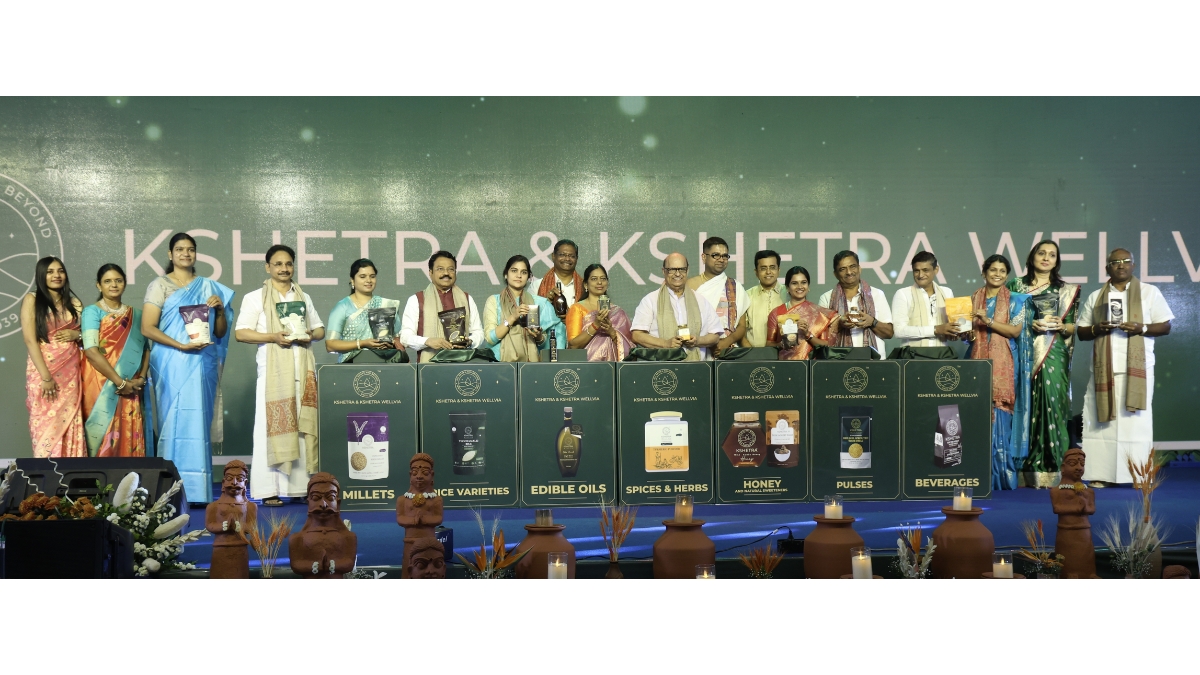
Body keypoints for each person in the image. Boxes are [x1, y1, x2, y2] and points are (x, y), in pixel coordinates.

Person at [141, 232, 235, 504]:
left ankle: (197, 491)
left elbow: (219, 333)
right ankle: (168, 491)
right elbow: (147, 328)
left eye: (190, 249)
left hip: (201, 363)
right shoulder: (159, 285)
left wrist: (219, 310)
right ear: (170, 254)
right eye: (180, 249)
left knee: (197, 423)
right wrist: (180, 346)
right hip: (171, 362)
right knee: (173, 422)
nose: (185, 253)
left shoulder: (209, 287)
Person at [235, 245, 325, 506]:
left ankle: (300, 488)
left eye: (288, 264)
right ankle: (269, 490)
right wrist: (272, 337)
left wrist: (309, 334)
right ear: (268, 267)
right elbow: (241, 333)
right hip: (273, 376)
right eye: (278, 264)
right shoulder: (255, 298)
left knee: (302, 428)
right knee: (271, 429)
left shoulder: (303, 297)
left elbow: (320, 330)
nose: (284, 269)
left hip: (302, 371)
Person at [1077, 248, 1173, 487]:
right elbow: (1082, 332)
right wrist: (1098, 329)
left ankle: (1138, 476)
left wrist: (1142, 328)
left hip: (1138, 372)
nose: (1121, 265)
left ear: (1133, 265)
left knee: (1136, 425)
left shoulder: (1150, 292)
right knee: (1102, 426)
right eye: (1115, 262)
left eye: (1125, 261)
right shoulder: (1097, 296)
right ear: (1107, 268)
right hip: (1103, 371)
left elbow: (1165, 326)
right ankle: (1101, 475)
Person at [1006, 240, 1080, 488]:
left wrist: (1062, 325)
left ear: (1057, 261)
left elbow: (1072, 326)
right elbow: (1005, 318)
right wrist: (1028, 324)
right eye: (1041, 253)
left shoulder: (1065, 290)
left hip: (1053, 352)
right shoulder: (1015, 285)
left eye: (1052, 255)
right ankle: (1021, 470)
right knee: (1023, 404)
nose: (1046, 258)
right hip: (1022, 352)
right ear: (1032, 256)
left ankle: (1052, 467)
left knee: (1051, 403)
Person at [963, 254, 1031, 490]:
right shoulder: (973, 299)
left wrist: (988, 320)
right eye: (993, 270)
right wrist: (966, 333)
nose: (998, 274)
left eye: (1002, 271)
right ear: (984, 273)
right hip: (977, 363)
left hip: (1004, 366)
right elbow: (970, 334)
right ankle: (979, 477)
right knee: (977, 417)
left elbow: (1015, 331)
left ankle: (1002, 478)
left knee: (1000, 419)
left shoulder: (1016, 300)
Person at [81, 263, 150, 457]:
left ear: (125, 283)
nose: (113, 285)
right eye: (107, 281)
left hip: (132, 385)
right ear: (98, 285)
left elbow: (146, 350)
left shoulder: (137, 315)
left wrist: (141, 378)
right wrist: (120, 382)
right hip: (101, 383)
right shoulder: (91, 312)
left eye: (118, 280)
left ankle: (131, 475)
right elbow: (91, 351)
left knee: (129, 433)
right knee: (102, 436)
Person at [21, 256, 85, 458]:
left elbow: (89, 337)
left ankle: (73, 472)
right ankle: (47, 472)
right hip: (44, 371)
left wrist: (77, 335)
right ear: (41, 275)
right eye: (50, 272)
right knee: (45, 422)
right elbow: (30, 340)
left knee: (71, 420)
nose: (56, 275)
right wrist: (46, 377)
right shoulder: (32, 300)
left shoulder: (74, 303)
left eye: (60, 271)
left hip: (71, 372)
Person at [631, 252, 723, 360]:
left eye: (682, 269)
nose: (678, 274)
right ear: (664, 271)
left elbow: (715, 336)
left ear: (687, 270)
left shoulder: (700, 300)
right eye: (672, 270)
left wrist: (697, 341)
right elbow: (637, 335)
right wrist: (665, 344)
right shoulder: (650, 300)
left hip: (696, 367)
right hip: (661, 368)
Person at [399, 250, 484, 362]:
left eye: (451, 269)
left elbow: (478, 332)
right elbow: (405, 337)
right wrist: (427, 341)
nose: (446, 273)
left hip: (461, 365)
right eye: (440, 269)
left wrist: (470, 341)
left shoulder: (467, 299)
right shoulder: (416, 300)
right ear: (430, 273)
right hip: (428, 366)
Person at [483, 255, 564, 362]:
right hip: (499, 365)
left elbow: (552, 342)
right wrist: (512, 317)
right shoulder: (494, 301)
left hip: (531, 366)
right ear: (506, 274)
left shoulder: (541, 303)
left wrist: (539, 337)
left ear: (529, 277)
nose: (519, 275)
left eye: (524, 272)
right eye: (514, 271)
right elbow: (490, 339)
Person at [325, 258, 404, 363]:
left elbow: (398, 339)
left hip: (384, 365)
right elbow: (330, 345)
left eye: (372, 276)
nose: (369, 280)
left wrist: (392, 343)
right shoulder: (343, 306)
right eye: (362, 277)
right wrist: (362, 343)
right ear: (352, 280)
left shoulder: (386, 305)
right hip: (350, 366)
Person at [818, 250, 894, 357]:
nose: (849, 272)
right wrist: (839, 324)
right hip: (839, 361)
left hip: (873, 361)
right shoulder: (826, 298)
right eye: (842, 269)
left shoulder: (877, 294)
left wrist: (872, 322)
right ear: (835, 274)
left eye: (852, 266)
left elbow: (889, 333)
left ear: (859, 268)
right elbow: (821, 337)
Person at [289, 472, 357, 579]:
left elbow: (349, 563)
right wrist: (315, 566)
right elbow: (296, 564)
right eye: (316, 497)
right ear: (308, 502)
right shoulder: (297, 538)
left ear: (338, 503)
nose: (323, 504)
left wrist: (332, 566)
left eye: (330, 497)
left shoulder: (348, 537)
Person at [688, 237, 748, 354]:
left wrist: (726, 342)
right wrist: (705, 341)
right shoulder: (690, 285)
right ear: (704, 257)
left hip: (728, 351)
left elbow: (742, 326)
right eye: (716, 255)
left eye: (725, 256)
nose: (721, 260)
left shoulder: (735, 286)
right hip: (697, 350)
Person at [765, 266, 839, 360]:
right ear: (787, 288)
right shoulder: (777, 313)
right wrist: (782, 344)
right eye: (794, 283)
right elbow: (769, 344)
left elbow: (826, 345)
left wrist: (808, 334)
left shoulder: (819, 314)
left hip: (811, 365)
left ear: (808, 286)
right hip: (785, 365)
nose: (800, 287)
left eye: (803, 282)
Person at [565, 263, 635, 361]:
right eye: (594, 279)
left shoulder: (618, 312)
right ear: (585, 284)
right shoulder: (577, 309)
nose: (599, 282)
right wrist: (595, 325)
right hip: (586, 366)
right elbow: (573, 346)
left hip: (613, 366)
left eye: (603, 279)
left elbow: (630, 349)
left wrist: (612, 333)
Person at [890, 251, 959, 349]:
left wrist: (955, 333)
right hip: (913, 355)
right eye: (916, 271)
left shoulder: (946, 293)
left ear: (936, 270)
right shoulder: (903, 294)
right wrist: (935, 330)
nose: (920, 275)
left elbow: (950, 326)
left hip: (941, 353)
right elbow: (899, 331)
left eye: (925, 270)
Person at [205, 460, 258, 579]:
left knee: (239, 573)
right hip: (220, 546)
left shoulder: (250, 506)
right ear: (223, 482)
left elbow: (252, 526)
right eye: (229, 478)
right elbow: (209, 524)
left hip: (240, 546)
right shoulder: (213, 506)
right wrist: (223, 526)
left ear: (245, 483)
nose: (234, 482)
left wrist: (239, 527)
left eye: (239, 479)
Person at [1050, 448, 1098, 578]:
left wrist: (1085, 507)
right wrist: (1076, 508)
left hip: (1084, 530)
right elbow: (1057, 508)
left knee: (1086, 553)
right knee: (1068, 553)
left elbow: (1092, 509)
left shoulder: (1088, 491)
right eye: (1073, 464)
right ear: (1063, 468)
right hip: (1067, 530)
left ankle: (1089, 573)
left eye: (1082, 464)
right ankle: (1069, 573)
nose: (1079, 468)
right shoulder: (1057, 491)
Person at [395, 453, 443, 578]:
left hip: (429, 542)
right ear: (410, 475)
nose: (419, 476)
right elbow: (400, 518)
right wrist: (414, 520)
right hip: (410, 541)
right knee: (409, 567)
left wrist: (424, 519)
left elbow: (438, 518)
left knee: (430, 568)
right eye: (415, 473)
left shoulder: (436, 499)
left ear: (432, 475)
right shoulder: (402, 500)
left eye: (425, 473)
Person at [738, 250, 786, 348]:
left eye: (772, 267)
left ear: (779, 270)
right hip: (755, 355)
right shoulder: (747, 296)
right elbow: (740, 331)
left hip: (786, 354)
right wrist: (753, 353)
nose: (768, 272)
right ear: (756, 272)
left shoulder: (789, 294)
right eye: (763, 268)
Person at [537, 239, 584, 313]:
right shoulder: (537, 285)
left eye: (572, 256)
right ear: (553, 256)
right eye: (562, 255)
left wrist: (569, 316)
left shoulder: (585, 287)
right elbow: (532, 316)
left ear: (577, 259)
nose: (567, 259)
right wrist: (547, 302)